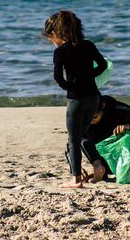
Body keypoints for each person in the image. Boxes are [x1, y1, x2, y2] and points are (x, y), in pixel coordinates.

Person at [43, 10, 107, 188]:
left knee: (73, 139)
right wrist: (88, 78)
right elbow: (103, 65)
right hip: (93, 97)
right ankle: (97, 165)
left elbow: (58, 78)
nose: (51, 42)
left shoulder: (60, 52)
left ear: (55, 33)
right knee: (83, 134)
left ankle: (76, 179)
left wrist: (70, 87)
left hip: (76, 99)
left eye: (50, 38)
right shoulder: (88, 45)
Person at [80, 95, 130, 180]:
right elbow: (71, 142)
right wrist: (76, 170)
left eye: (95, 117)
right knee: (80, 131)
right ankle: (100, 170)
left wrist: (128, 126)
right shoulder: (82, 113)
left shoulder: (117, 108)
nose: (92, 121)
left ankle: (129, 172)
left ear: (103, 106)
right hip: (103, 163)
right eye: (89, 118)